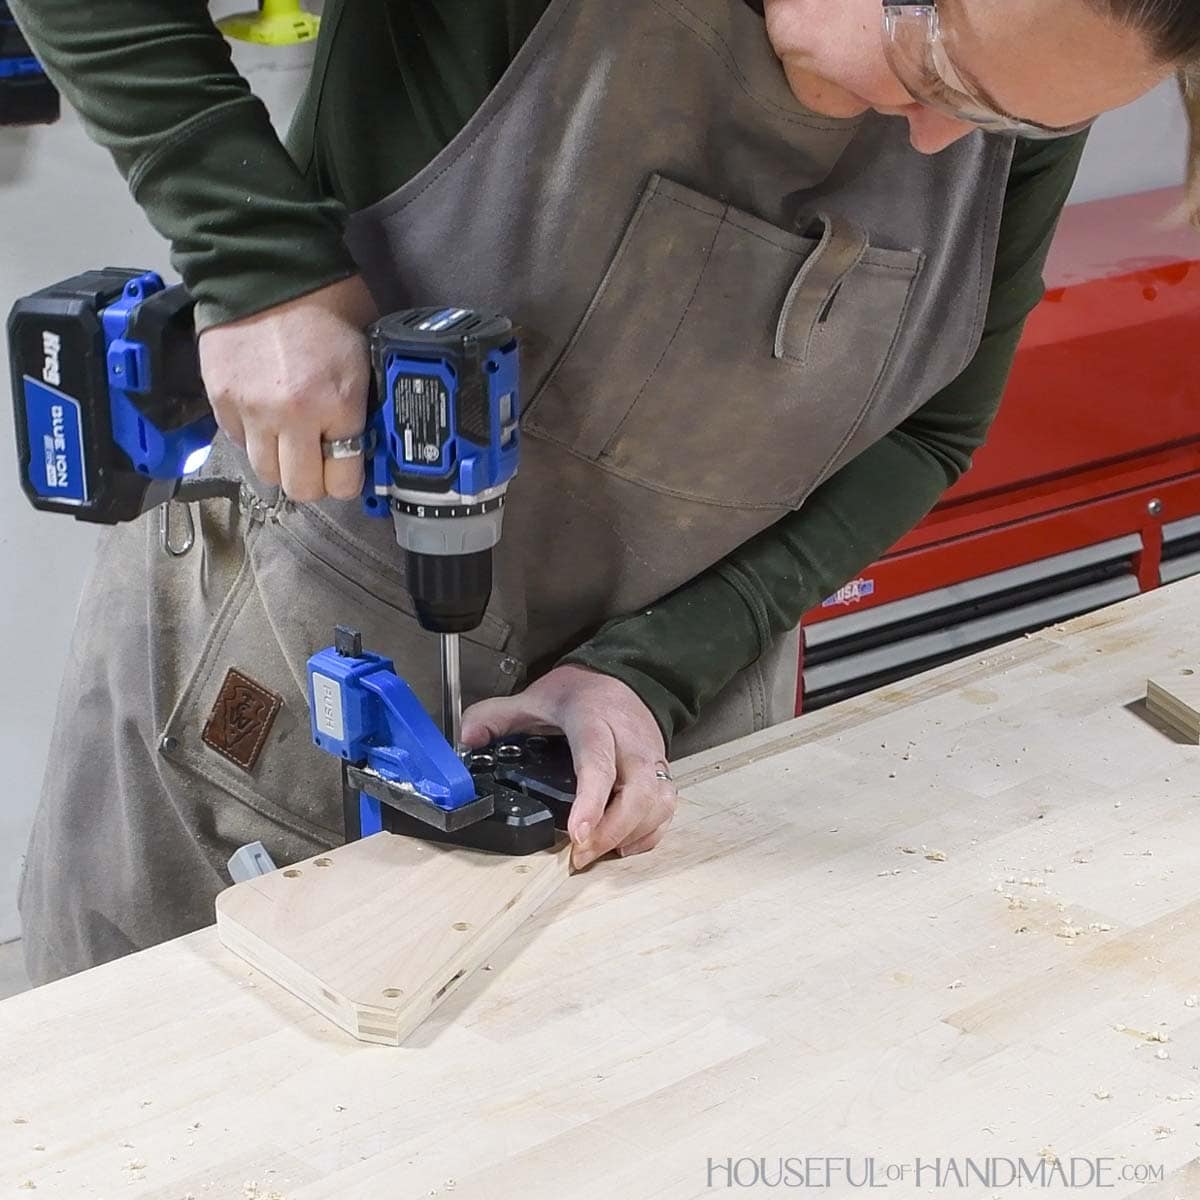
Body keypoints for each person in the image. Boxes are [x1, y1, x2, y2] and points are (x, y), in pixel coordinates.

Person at [9, 0, 1197, 984]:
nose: (942, 138)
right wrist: (256, 261)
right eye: (934, 69)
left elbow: (934, 428)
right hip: (278, 648)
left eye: (1003, 117)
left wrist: (653, 667)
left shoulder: (1033, 43)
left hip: (665, 721)